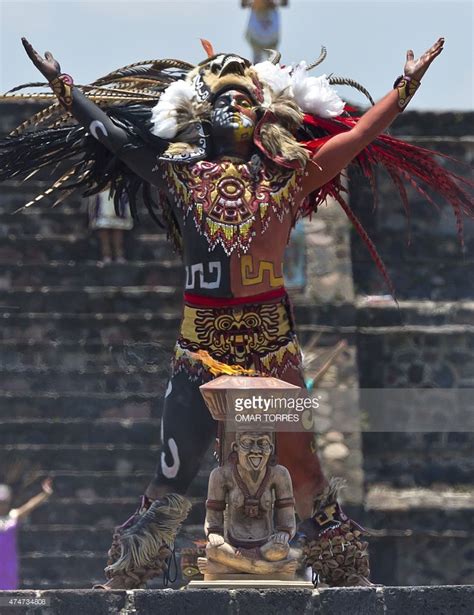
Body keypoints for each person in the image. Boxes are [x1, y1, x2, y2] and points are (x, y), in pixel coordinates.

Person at [1, 35, 471, 587]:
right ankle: (128, 577)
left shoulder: (291, 175)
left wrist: (405, 85)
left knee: (305, 471)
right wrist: (65, 88)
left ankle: (345, 577)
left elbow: (361, 134)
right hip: (200, 346)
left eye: (245, 100)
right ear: (203, 116)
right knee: (171, 475)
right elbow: (114, 136)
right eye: (223, 100)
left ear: (265, 117)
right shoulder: (180, 175)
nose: (234, 107)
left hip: (270, 345)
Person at [0, 479, 53, 590]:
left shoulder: (13, 516)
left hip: (9, 560)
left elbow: (30, 505)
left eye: (4, 502)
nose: (2, 505)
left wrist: (45, 494)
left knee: (8, 595)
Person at [88, 189, 133, 263]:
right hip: (103, 217)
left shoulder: (122, 189)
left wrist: (128, 217)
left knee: (118, 239)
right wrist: (93, 219)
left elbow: (126, 203)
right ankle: (106, 256)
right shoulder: (98, 190)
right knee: (105, 239)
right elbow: (93, 205)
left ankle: (119, 256)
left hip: (118, 217)